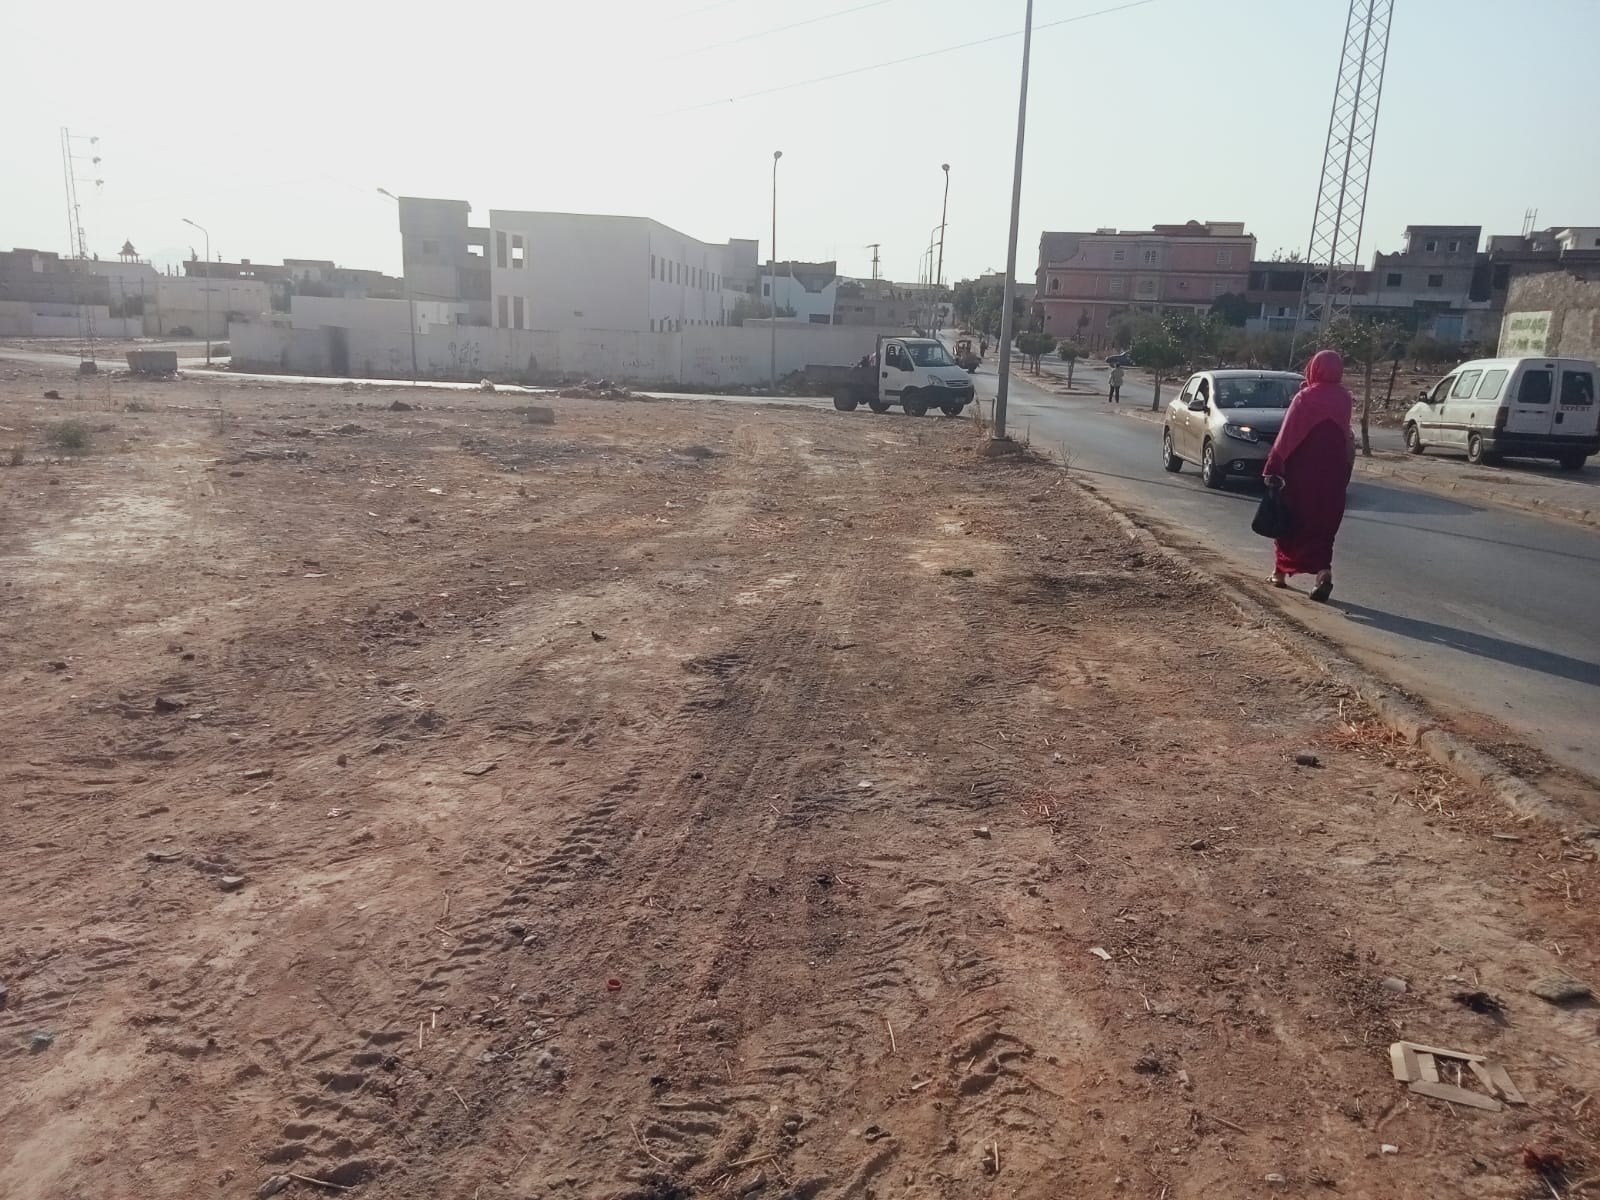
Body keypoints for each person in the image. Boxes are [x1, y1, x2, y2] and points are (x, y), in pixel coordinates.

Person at [1262, 349, 1356, 602]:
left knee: (1291, 519)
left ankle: (1279, 573)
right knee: (1323, 524)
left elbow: (1287, 436)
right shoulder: (1344, 398)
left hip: (1301, 473)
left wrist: (1273, 464)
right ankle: (1323, 573)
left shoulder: (1305, 398)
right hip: (1333, 473)